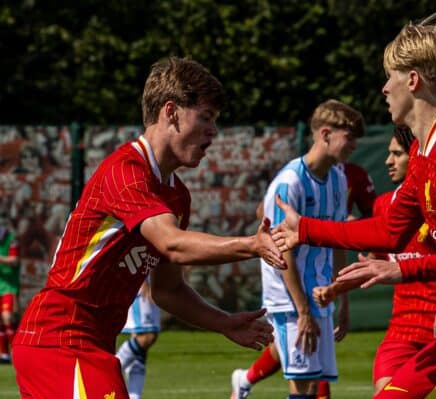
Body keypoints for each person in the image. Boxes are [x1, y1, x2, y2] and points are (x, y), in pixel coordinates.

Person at [272, 14, 436, 399]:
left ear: (413, 80)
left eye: (390, 76)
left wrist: (403, 268)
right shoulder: (424, 152)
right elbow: (389, 230)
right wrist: (305, 229)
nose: (384, 88)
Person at [11, 57, 286, 398]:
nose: (214, 131)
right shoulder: (125, 172)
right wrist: (252, 245)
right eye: (206, 117)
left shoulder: (177, 196)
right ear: (171, 112)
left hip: (87, 344)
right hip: (60, 339)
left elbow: (167, 290)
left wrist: (223, 322)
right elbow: (172, 243)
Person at [232, 99, 364, 399]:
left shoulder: (339, 178)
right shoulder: (290, 182)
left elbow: (338, 239)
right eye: (350, 136)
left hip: (319, 293)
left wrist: (341, 300)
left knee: (315, 380)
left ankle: (244, 381)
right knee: (303, 383)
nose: (355, 144)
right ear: (326, 134)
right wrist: (302, 310)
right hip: (289, 297)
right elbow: (282, 253)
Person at [312, 125, 436, 396]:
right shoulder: (383, 205)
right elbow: (375, 267)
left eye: (397, 154)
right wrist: (335, 289)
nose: (388, 161)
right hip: (401, 331)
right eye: (388, 154)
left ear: (417, 156)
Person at [116, 279, 159, 399]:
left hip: (152, 279)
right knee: (146, 336)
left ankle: (134, 396)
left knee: (142, 345)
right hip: (141, 280)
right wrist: (142, 281)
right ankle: (106, 374)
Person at [0, 218, 19, 364]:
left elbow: (15, 260)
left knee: (7, 317)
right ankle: (4, 355)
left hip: (9, 286)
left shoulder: (12, 239)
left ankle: (15, 353)